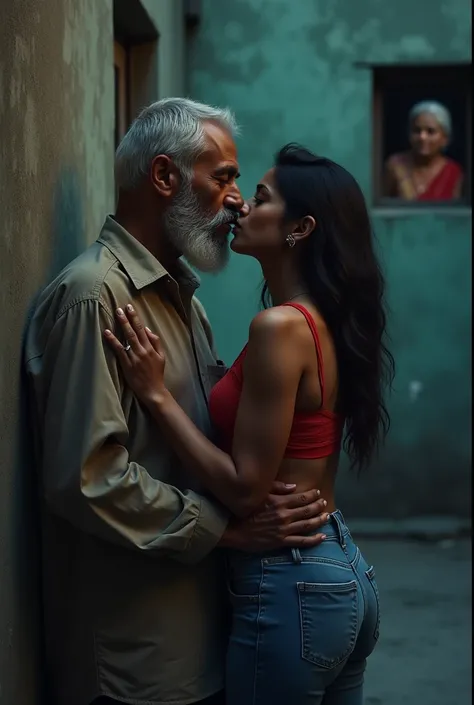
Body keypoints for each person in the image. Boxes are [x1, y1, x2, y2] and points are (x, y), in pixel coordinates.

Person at [24, 100, 331, 705]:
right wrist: (230, 532)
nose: (238, 199)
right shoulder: (95, 297)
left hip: (198, 641)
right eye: (223, 178)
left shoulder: (182, 300)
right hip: (136, 662)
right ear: (165, 177)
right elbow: (87, 479)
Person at [104, 144, 396, 705]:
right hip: (339, 570)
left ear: (300, 228)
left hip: (293, 584)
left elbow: (244, 486)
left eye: (260, 198)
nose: (239, 206)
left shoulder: (280, 327)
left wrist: (155, 395)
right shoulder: (322, 320)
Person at [384, 100, 463, 201]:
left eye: (431, 131)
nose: (422, 137)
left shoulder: (453, 172)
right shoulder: (396, 166)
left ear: (445, 138)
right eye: (417, 131)